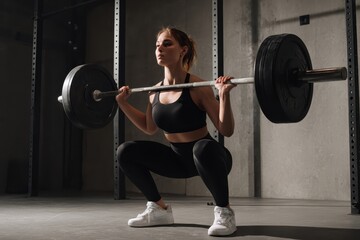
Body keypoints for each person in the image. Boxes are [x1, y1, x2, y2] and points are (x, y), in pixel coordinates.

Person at [115, 27, 237, 236]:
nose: (159, 49)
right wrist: (123, 104)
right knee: (125, 151)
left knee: (202, 148)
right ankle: (158, 209)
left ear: (183, 50)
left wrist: (224, 96)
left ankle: (224, 213)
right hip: (177, 160)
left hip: (209, 157)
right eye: (157, 46)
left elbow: (226, 129)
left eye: (167, 44)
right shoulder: (154, 91)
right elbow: (149, 127)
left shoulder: (198, 86)